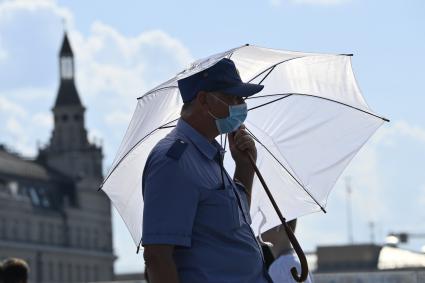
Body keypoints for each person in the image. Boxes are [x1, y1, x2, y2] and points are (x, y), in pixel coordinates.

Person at [142, 58, 272, 283]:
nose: (241, 105)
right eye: (233, 97)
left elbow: (229, 229)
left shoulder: (209, 156)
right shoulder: (173, 161)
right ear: (204, 100)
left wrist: (244, 167)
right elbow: (157, 256)